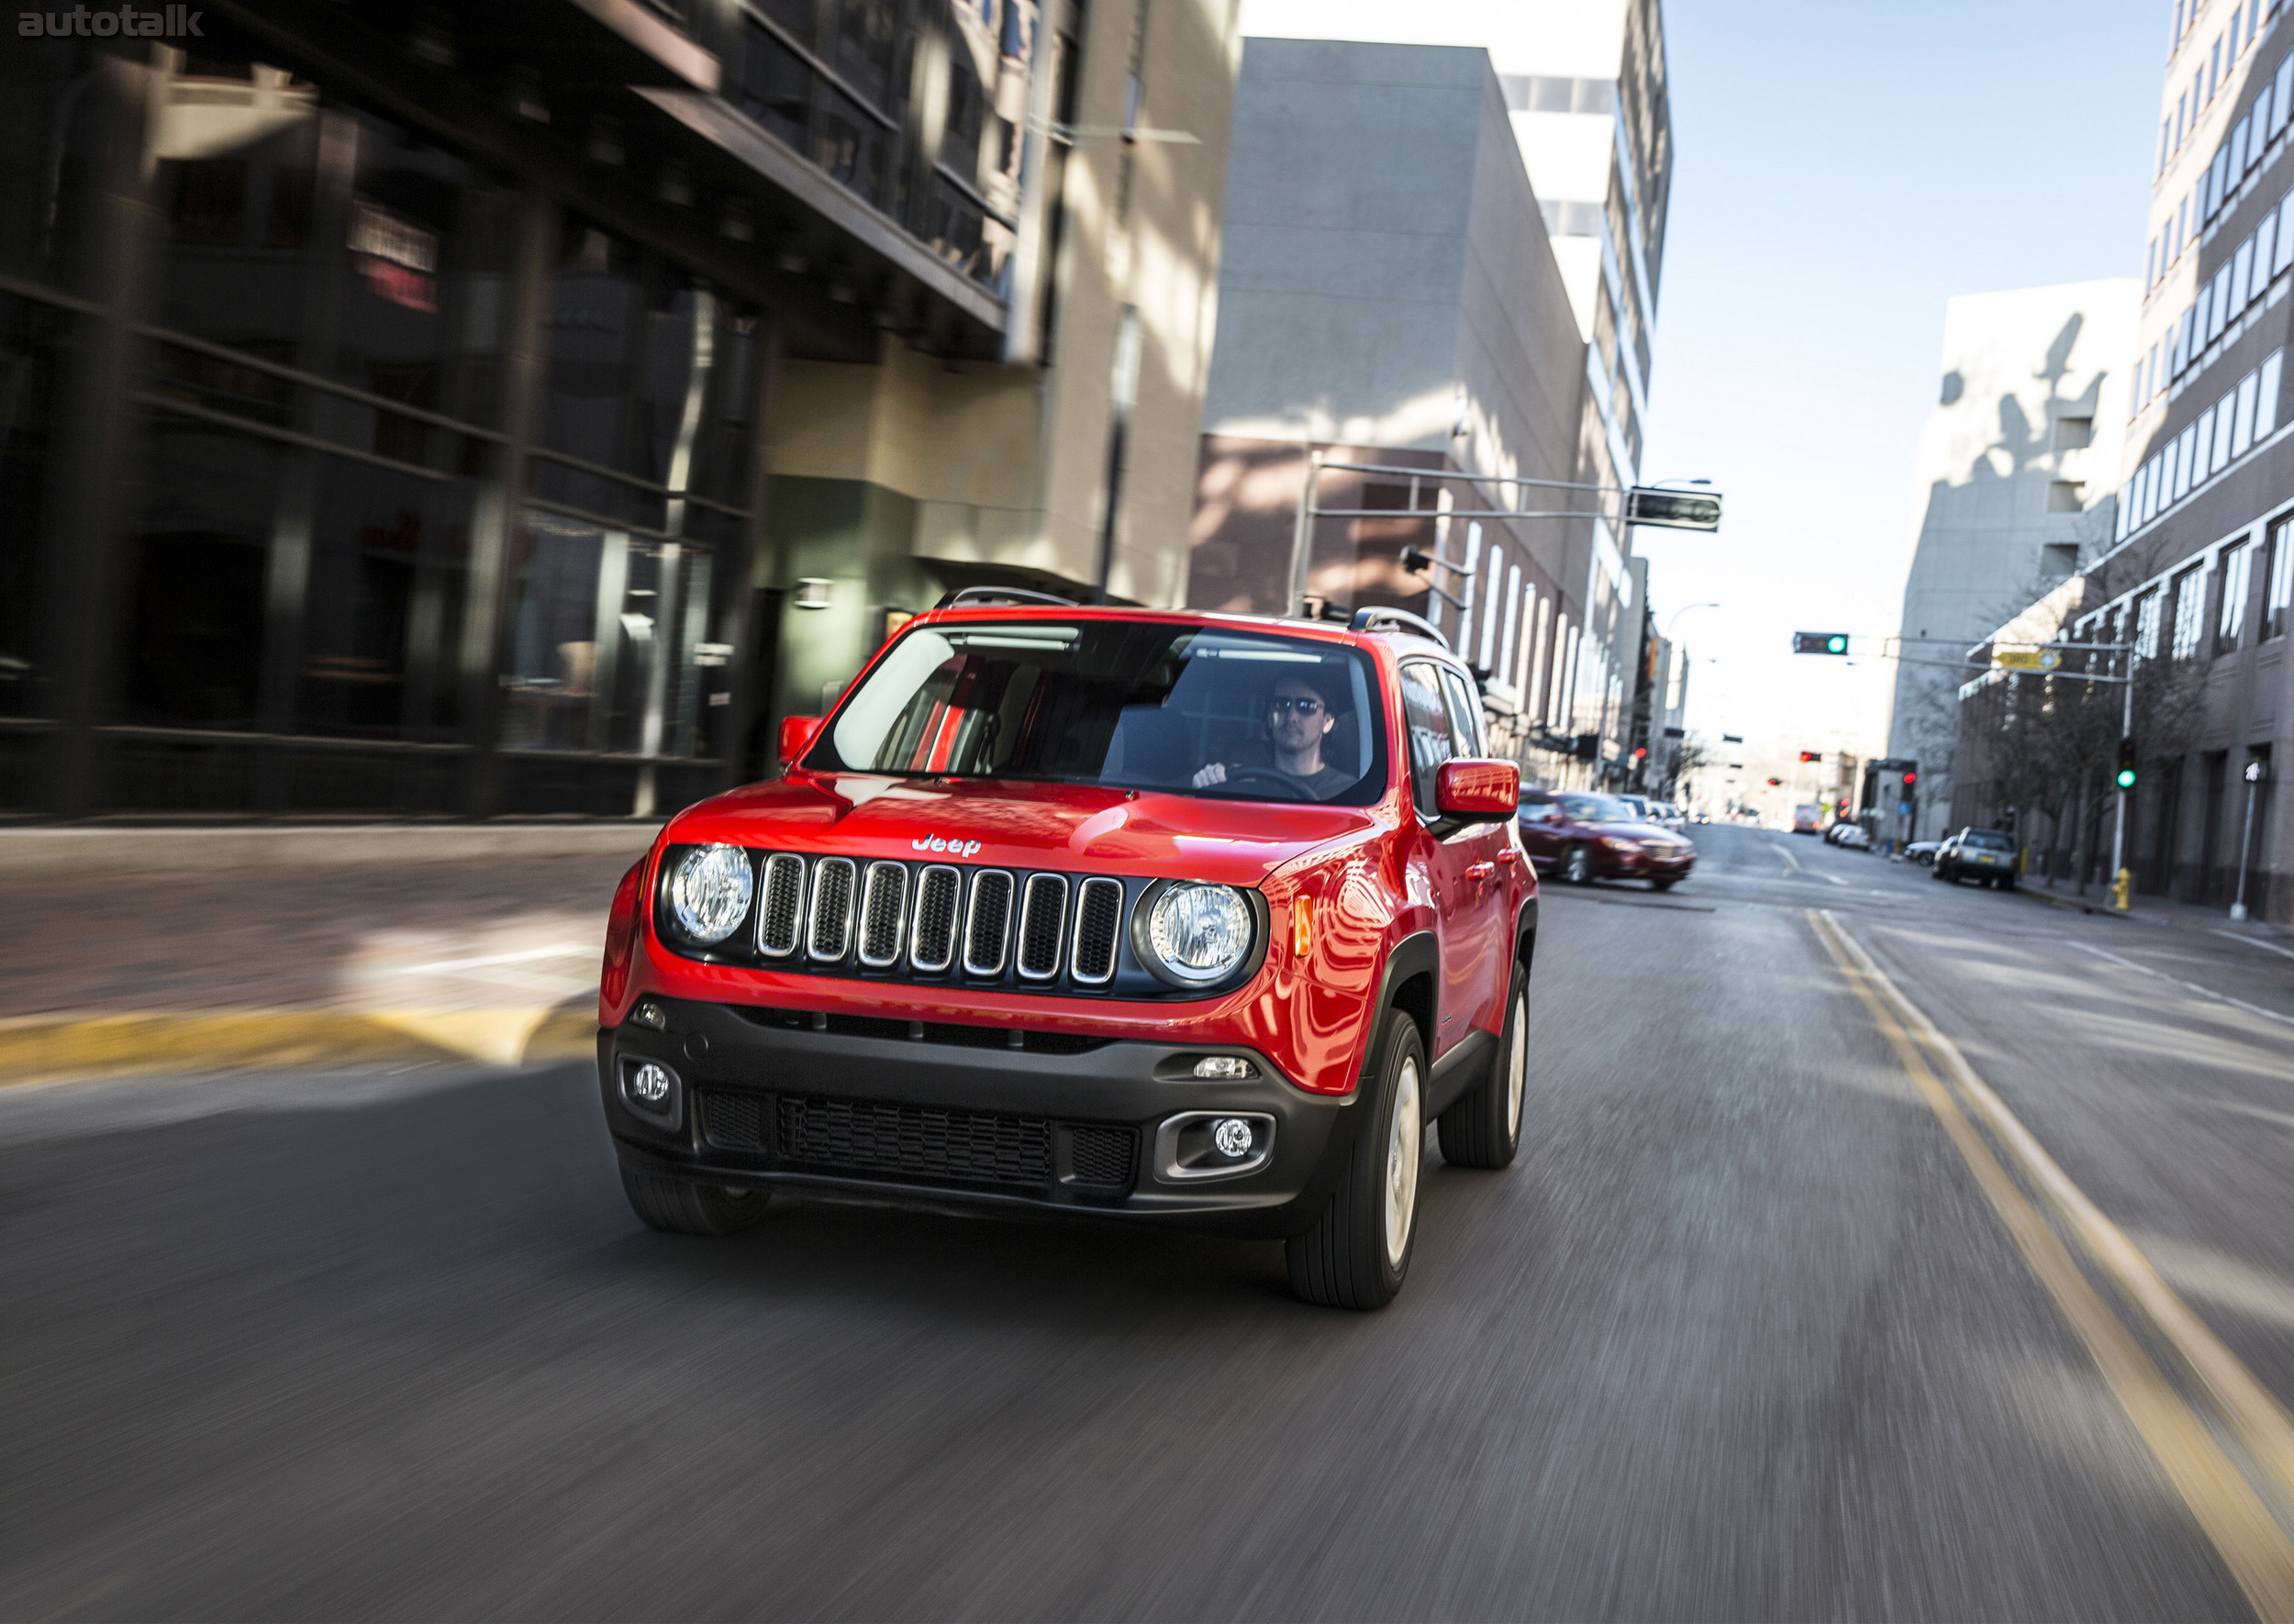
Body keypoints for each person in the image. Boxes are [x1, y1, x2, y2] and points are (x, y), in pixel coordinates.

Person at [1192, 670, 1354, 800]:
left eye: (1306, 706)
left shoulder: (1351, 793)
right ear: (1270, 717)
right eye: (1281, 704)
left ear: (1328, 721)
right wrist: (1205, 783)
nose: (1291, 717)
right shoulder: (1240, 782)